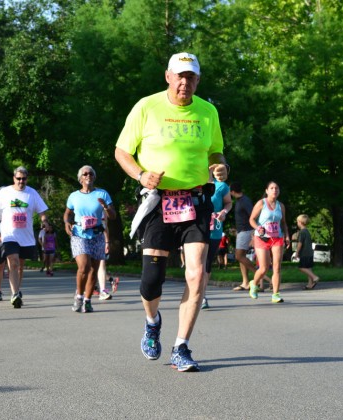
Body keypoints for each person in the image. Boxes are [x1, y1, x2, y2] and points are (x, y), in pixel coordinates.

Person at [114, 52, 228, 372]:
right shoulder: (146, 107)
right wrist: (140, 174)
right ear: (168, 76)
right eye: (179, 75)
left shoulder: (207, 112)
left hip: (195, 202)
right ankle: (152, 322)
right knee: (152, 281)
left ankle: (182, 347)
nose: (184, 82)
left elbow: (215, 149)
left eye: (190, 77)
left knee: (196, 275)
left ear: (197, 81)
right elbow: (122, 151)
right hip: (158, 201)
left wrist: (219, 163)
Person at [0, 167, 49, 308]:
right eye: (18, 178)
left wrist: (44, 221)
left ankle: (17, 289)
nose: (21, 181)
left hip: (25, 236)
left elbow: (42, 210)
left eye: (23, 179)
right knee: (13, 262)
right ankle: (15, 294)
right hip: (8, 235)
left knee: (20, 266)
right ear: (14, 178)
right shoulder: (4, 193)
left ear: (26, 179)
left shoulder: (32, 193)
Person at [64, 165, 116, 313]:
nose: (88, 176)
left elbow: (113, 216)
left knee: (93, 269)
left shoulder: (102, 194)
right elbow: (67, 213)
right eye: (85, 174)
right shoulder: (74, 196)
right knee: (84, 266)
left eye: (91, 174)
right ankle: (79, 296)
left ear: (94, 177)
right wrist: (67, 223)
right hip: (79, 234)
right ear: (80, 178)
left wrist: (105, 206)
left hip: (97, 234)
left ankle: (87, 300)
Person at [248, 181, 290, 303]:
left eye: (277, 188)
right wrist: (258, 228)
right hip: (262, 238)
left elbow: (283, 223)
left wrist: (287, 235)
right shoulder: (261, 203)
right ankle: (254, 283)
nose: (274, 190)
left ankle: (276, 294)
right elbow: (251, 219)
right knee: (264, 268)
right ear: (267, 191)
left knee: (277, 267)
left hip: (277, 238)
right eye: (271, 188)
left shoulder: (281, 206)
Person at [230, 182, 271, 292]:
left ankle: (264, 277)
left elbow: (253, 216)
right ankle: (246, 283)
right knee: (242, 257)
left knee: (239, 256)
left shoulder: (245, 201)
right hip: (241, 231)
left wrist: (254, 234)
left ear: (232, 192)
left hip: (247, 231)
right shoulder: (240, 201)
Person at [201, 180, 232, 310]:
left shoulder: (221, 186)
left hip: (214, 229)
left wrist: (223, 212)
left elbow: (228, 203)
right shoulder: (192, 179)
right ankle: (195, 294)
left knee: (206, 262)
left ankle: (202, 295)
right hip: (195, 227)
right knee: (196, 262)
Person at [295, 214, 320, 290]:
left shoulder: (302, 232)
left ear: (300, 222)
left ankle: (314, 277)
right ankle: (310, 284)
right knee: (308, 268)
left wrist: (297, 252)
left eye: (297, 221)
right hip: (310, 253)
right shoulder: (307, 231)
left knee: (301, 267)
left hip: (304, 253)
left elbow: (300, 243)